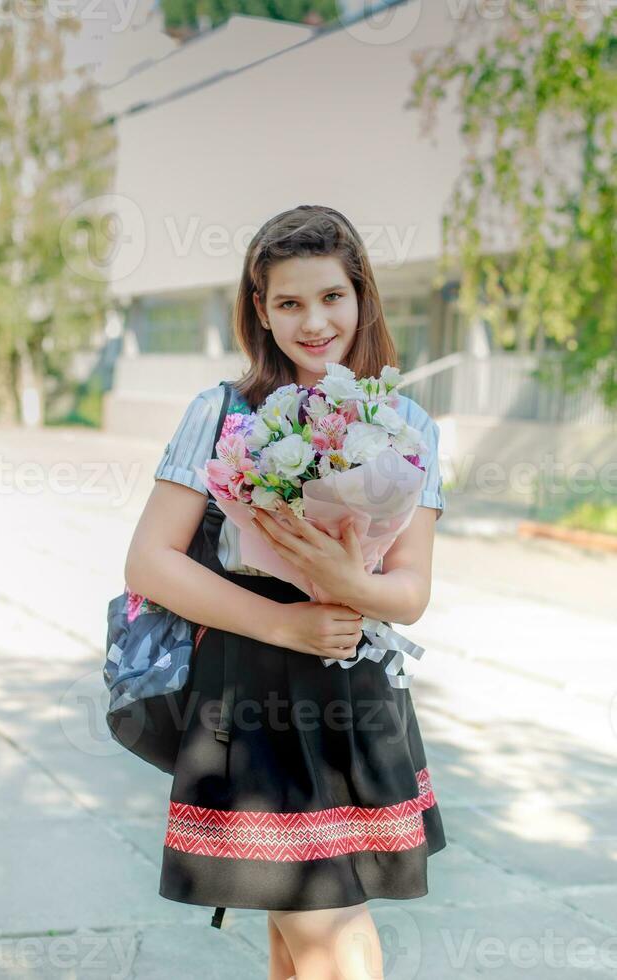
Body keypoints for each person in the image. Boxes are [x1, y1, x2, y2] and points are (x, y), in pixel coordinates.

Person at [124, 205, 447, 980]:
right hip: (251, 688)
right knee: (329, 938)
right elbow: (149, 562)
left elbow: (409, 594)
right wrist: (285, 624)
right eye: (290, 303)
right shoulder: (222, 412)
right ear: (260, 312)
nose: (314, 321)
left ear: (362, 297)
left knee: (298, 937)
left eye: (332, 297)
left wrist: (346, 585)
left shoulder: (406, 423)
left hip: (356, 688)